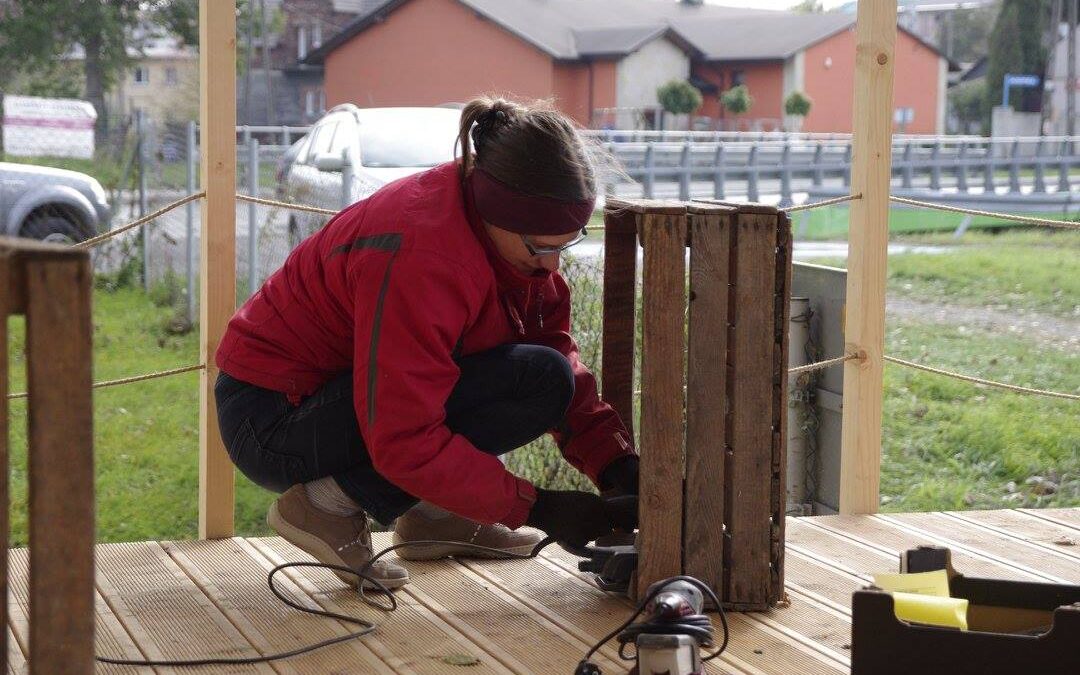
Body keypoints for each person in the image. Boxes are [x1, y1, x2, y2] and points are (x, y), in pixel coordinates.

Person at [214, 96, 640, 590]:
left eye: (565, 244)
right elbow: (403, 435)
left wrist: (616, 463)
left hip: (334, 397)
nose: (552, 264)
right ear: (496, 212)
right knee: (535, 378)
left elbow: (555, 358)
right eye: (540, 247)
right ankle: (325, 506)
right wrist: (538, 507)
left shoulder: (494, 231)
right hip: (271, 420)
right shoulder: (422, 254)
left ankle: (433, 519)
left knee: (546, 377)